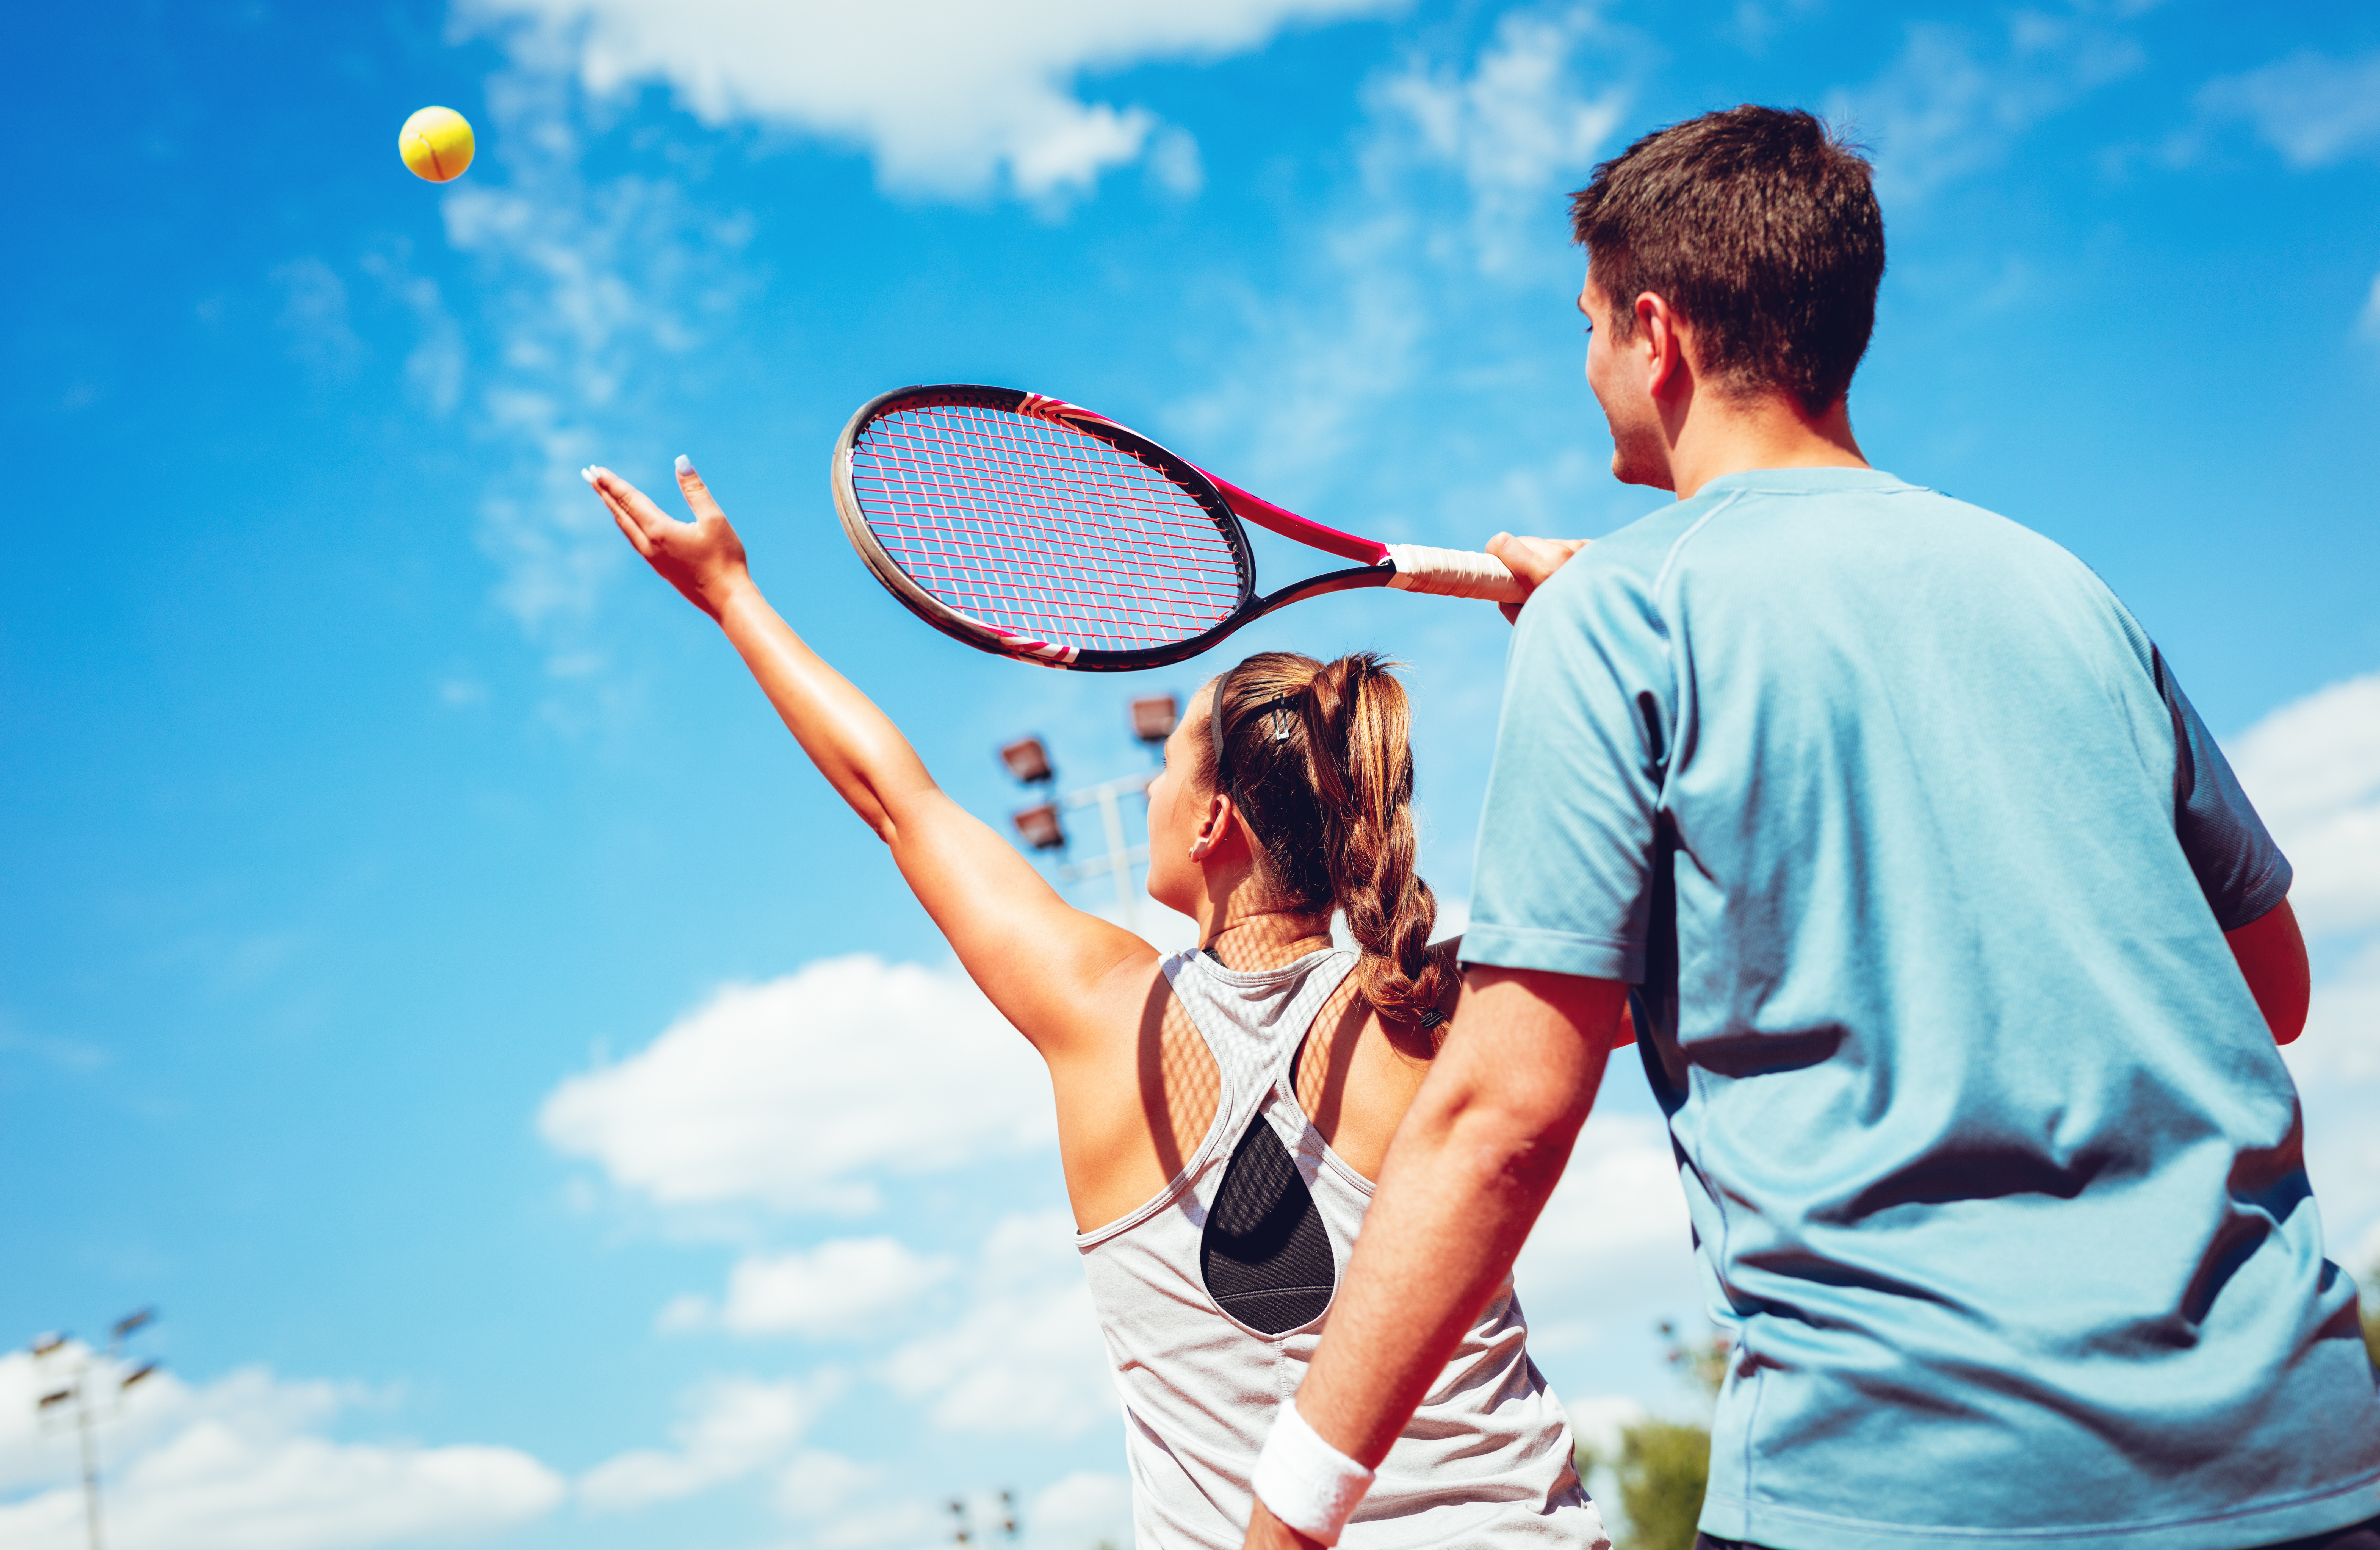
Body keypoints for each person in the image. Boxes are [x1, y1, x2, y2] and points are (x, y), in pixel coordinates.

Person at [1241, 104, 2380, 1550]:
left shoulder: (1619, 621)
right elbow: (2267, 988)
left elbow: (1500, 1118)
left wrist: (1288, 1516)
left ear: (1653, 334)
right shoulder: (2057, 584)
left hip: (1913, 1486)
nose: (1585, 365)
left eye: (1586, 326)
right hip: (2302, 1455)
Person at [584, 458, 1611, 1549]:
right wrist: (1599, 646)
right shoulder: (1438, 1001)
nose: (1153, 789)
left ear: (1211, 822)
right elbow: (1708, 915)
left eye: (1167, 768)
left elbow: (895, 799)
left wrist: (731, 596)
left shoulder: (1101, 1011)